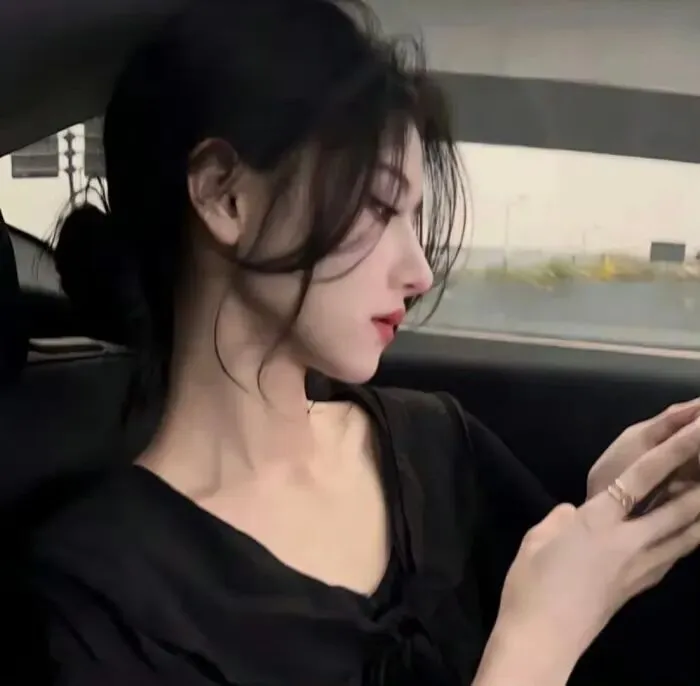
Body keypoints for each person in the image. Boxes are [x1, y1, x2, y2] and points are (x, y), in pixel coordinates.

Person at [25, 1, 700, 684]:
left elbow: (589, 620)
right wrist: (532, 650)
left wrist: (614, 508)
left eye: (413, 217)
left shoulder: (435, 448)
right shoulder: (97, 604)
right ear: (226, 197)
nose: (420, 272)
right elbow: (545, 625)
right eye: (379, 206)